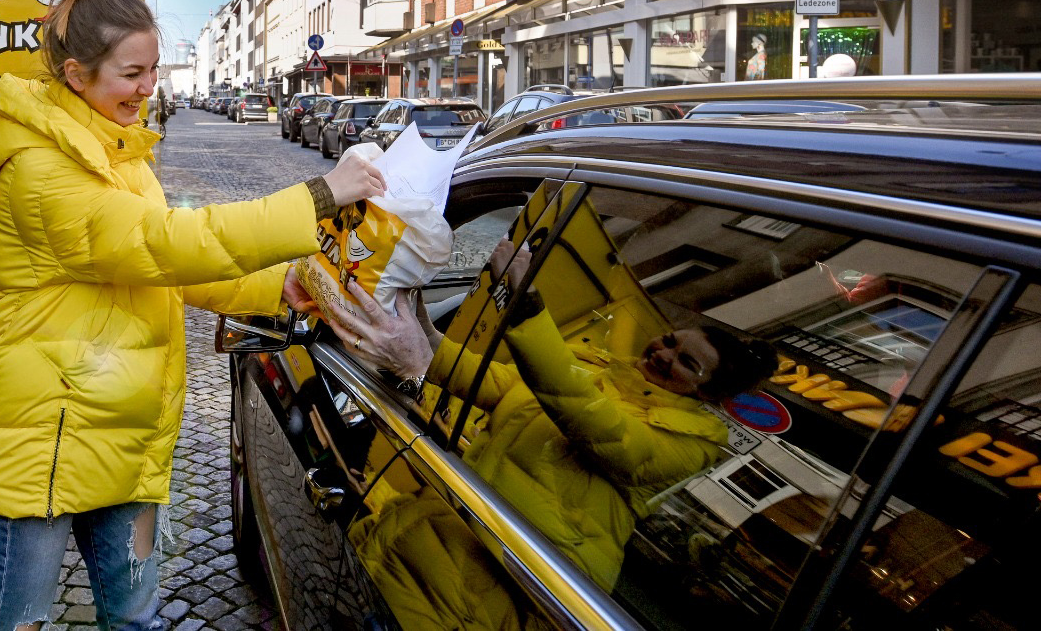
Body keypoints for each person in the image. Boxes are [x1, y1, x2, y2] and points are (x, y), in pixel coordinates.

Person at [0, 0, 387, 631]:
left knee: (136, 622)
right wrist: (320, 194)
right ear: (76, 75)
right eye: (133, 74)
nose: (150, 87)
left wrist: (278, 284)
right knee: (16, 624)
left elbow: (165, 267)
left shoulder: (114, 148)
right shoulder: (41, 168)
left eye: (153, 68)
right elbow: (163, 243)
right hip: (44, 439)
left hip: (121, 430)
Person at [328, 249, 775, 629]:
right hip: (435, 536)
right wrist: (424, 334)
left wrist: (528, 308)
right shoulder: (601, 370)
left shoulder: (695, 440)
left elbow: (599, 427)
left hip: (492, 590)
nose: (664, 354)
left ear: (707, 393)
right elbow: (499, 384)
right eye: (670, 341)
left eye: (687, 363)